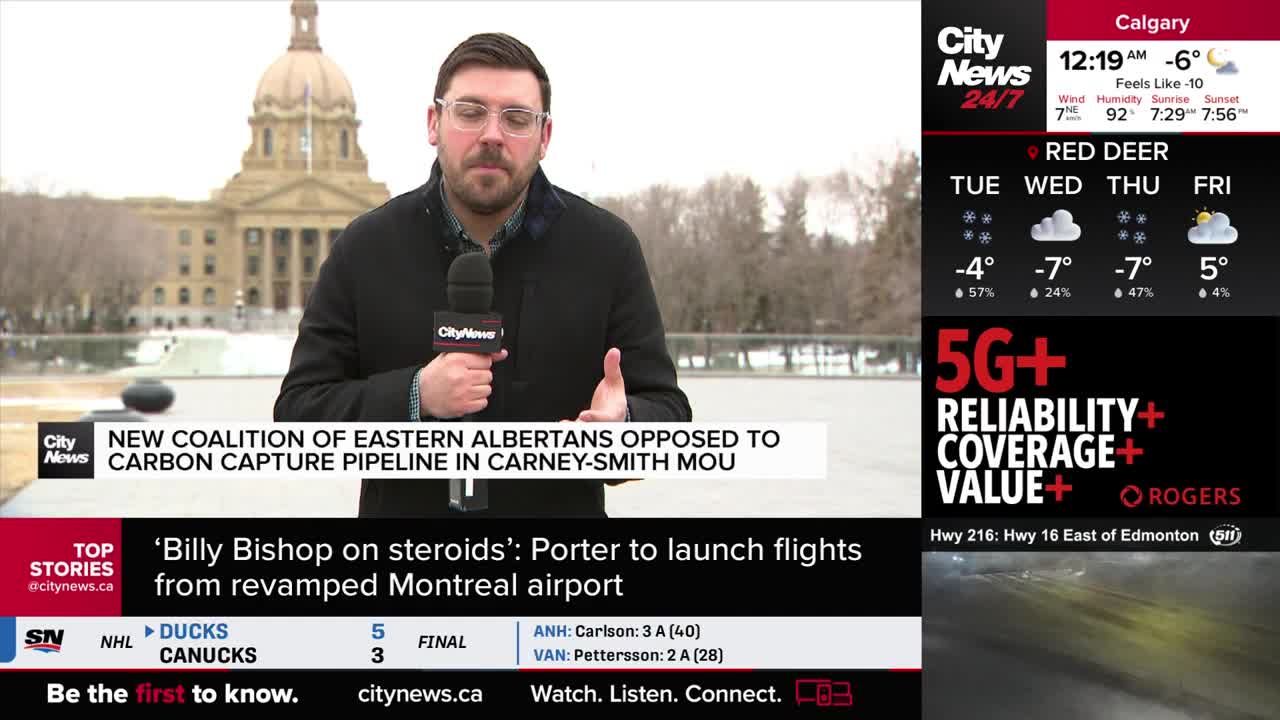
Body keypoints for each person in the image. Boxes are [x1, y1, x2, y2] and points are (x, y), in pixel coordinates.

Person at [273, 32, 691, 518]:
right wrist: (415, 396)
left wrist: (624, 428)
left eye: (516, 119)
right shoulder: (364, 248)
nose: (492, 135)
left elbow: (669, 413)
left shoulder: (606, 249)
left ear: (545, 136)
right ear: (434, 123)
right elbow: (297, 418)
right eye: (470, 112)